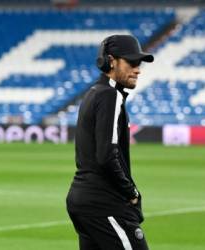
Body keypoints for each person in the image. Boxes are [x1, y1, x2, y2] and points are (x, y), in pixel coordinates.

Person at [66, 34, 154, 250]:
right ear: (111, 61)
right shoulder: (110, 96)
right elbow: (107, 155)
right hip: (104, 203)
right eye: (131, 62)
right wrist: (131, 191)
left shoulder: (93, 93)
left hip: (84, 200)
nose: (138, 69)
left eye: (139, 63)